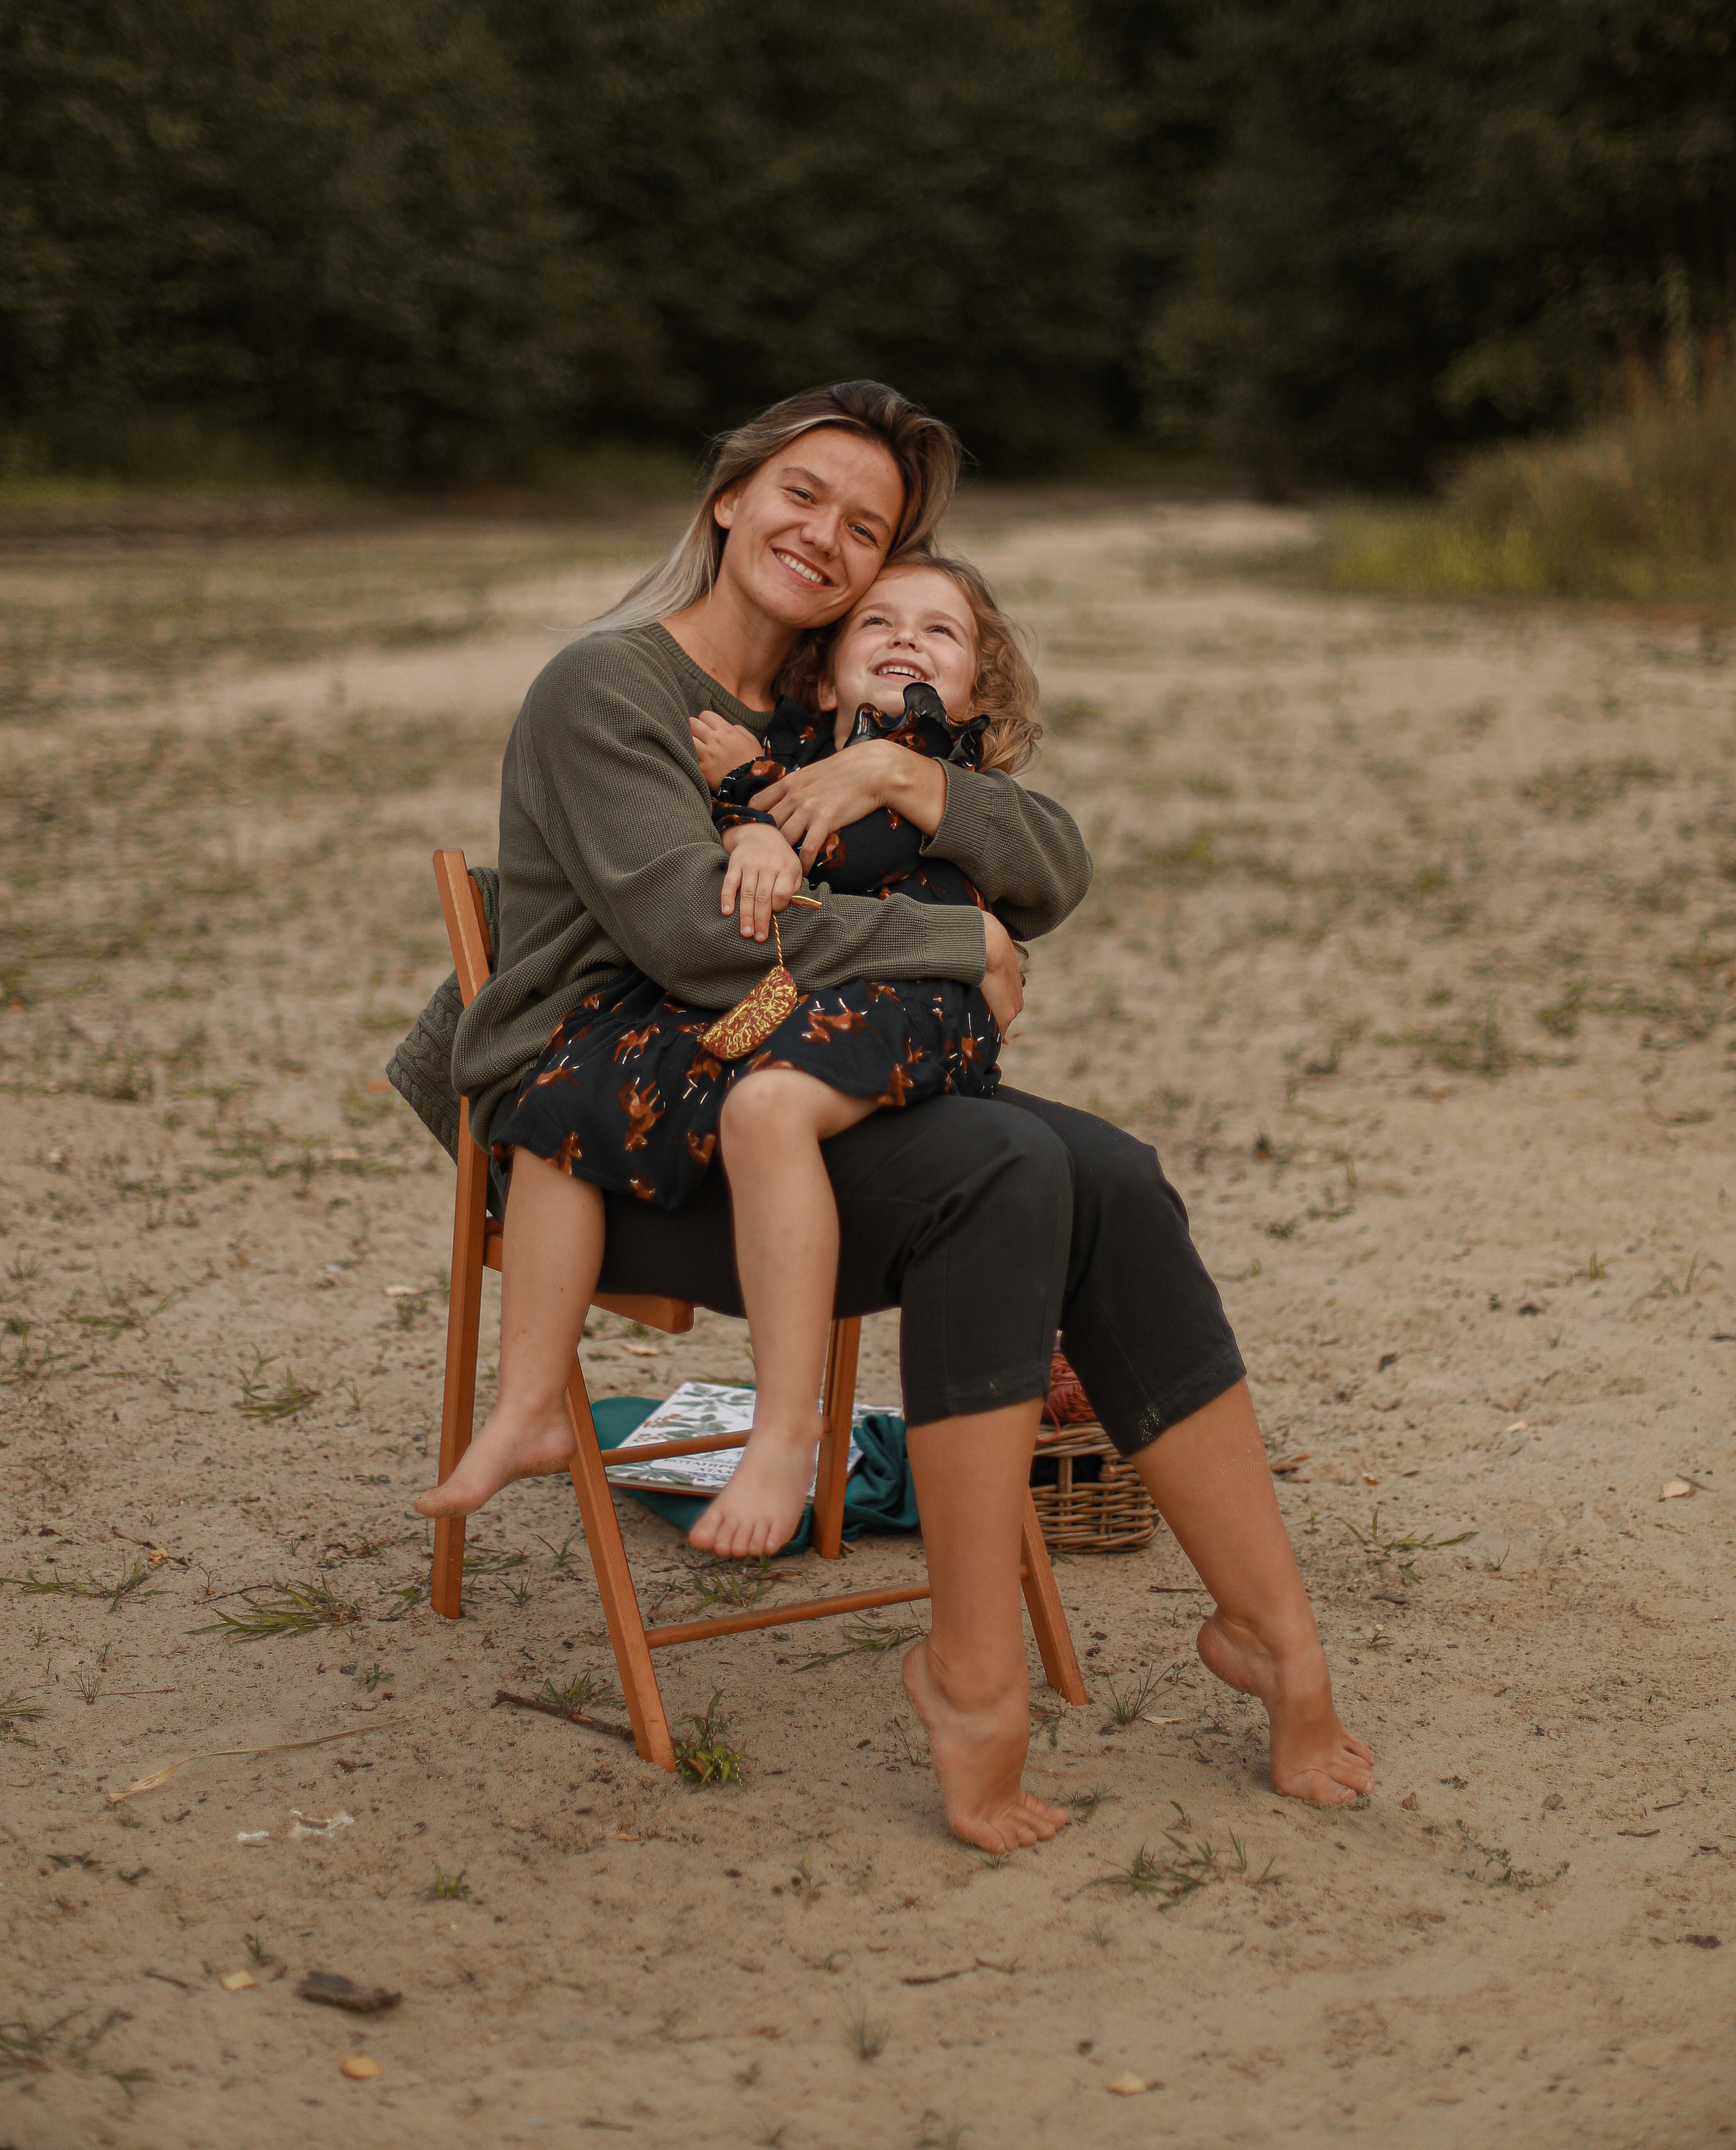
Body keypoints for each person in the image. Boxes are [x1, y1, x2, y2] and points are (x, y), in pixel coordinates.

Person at [418, 380, 1374, 1849]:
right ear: (730, 495)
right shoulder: (608, 688)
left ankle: (1274, 1639)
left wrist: (895, 771)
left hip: (780, 1096)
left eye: (865, 527)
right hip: (611, 1145)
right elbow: (699, 941)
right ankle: (974, 1684)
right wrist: (960, 943)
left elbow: (1048, 868)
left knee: (1111, 1174)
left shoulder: (838, 703)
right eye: (802, 494)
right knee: (1003, 1168)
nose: (826, 536)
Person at [481, 551, 1031, 1561]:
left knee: (765, 1109)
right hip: (809, 993)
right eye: (879, 624)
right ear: (822, 678)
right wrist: (750, 832)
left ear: (974, 692)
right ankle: (527, 1405)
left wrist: (781, 790)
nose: (907, 641)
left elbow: (880, 852)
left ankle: (786, 1431)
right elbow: (746, 855)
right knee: (565, 1092)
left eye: (940, 632)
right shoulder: (799, 750)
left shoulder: (939, 761)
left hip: (919, 1001)